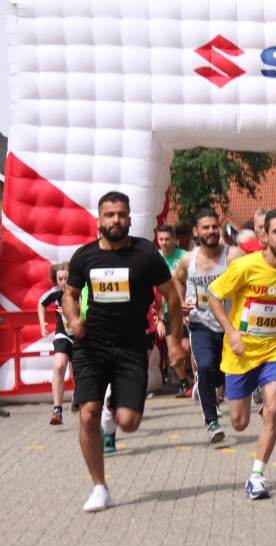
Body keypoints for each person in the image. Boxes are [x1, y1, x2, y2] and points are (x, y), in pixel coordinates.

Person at [63, 192, 186, 512]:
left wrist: (174, 340)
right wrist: (73, 318)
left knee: (128, 422)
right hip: (91, 345)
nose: (116, 220)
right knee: (88, 413)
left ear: (129, 219)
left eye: (121, 214)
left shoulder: (145, 254)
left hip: (131, 346)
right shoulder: (84, 256)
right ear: (99, 221)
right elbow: (69, 294)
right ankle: (100, 488)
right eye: (109, 214)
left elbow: (172, 296)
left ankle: (115, 404)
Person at [208, 207, 276, 499]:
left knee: (274, 409)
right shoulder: (245, 266)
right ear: (265, 235)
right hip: (241, 352)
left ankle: (256, 476)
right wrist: (231, 332)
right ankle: (257, 396)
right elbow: (214, 297)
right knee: (239, 423)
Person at [173, 207, 244, 443]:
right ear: (196, 231)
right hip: (200, 322)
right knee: (204, 367)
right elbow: (177, 280)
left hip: (229, 324)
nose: (211, 231)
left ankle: (221, 388)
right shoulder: (188, 259)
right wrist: (181, 303)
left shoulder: (234, 256)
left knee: (219, 373)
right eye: (206, 227)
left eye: (215, 226)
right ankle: (212, 422)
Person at [156, 225, 191, 396]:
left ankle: (191, 375)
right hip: (166, 310)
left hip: (182, 308)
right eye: (161, 239)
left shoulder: (184, 256)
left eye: (167, 239)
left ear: (173, 239)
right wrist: (159, 317)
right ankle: (184, 383)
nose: (164, 243)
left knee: (187, 347)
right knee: (173, 350)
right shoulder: (154, 258)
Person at [38, 262, 74, 425]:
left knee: (76, 373)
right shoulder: (55, 293)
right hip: (63, 334)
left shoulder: (79, 290)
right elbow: (41, 302)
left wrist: (72, 310)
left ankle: (77, 398)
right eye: (60, 279)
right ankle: (57, 410)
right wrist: (42, 322)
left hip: (80, 335)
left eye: (66, 278)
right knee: (59, 366)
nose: (63, 282)